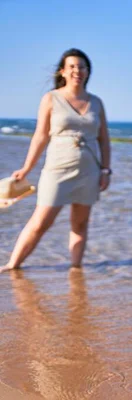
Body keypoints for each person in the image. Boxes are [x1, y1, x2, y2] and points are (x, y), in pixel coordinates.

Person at [1, 48, 111, 272]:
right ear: (62, 71)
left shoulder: (96, 102)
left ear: (88, 72)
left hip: (89, 170)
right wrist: (27, 168)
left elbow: (104, 140)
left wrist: (106, 170)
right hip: (56, 168)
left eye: (82, 66)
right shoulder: (51, 98)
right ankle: (13, 265)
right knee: (41, 221)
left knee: (80, 224)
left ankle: (75, 269)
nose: (77, 70)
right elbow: (40, 136)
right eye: (72, 66)